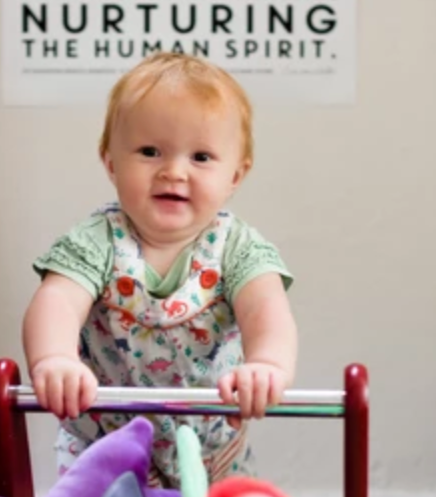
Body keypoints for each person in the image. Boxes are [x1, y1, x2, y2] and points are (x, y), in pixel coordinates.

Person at [22, 52, 297, 488]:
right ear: (111, 163)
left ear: (235, 176)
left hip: (211, 446)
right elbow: (57, 300)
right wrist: (55, 358)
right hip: (105, 440)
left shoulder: (239, 248)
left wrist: (266, 363)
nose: (174, 171)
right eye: (150, 152)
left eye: (201, 157)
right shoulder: (96, 241)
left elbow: (267, 309)